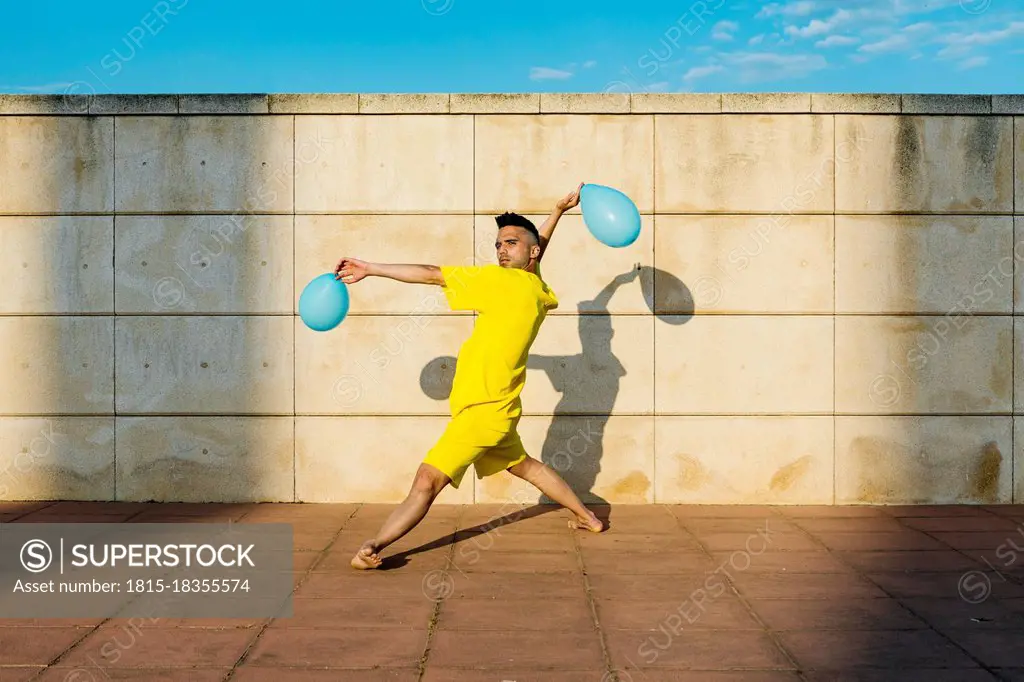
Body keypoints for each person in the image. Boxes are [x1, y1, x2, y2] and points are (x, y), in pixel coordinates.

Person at [334, 182, 605, 570]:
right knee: (526, 466)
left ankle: (374, 546)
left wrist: (371, 268)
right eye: (497, 244)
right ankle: (589, 517)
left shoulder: (498, 282)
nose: (500, 250)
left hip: (481, 412)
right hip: (501, 408)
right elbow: (538, 245)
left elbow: (431, 274)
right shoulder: (535, 286)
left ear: (529, 252)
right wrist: (557, 211)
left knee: (427, 480)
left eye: (509, 243)